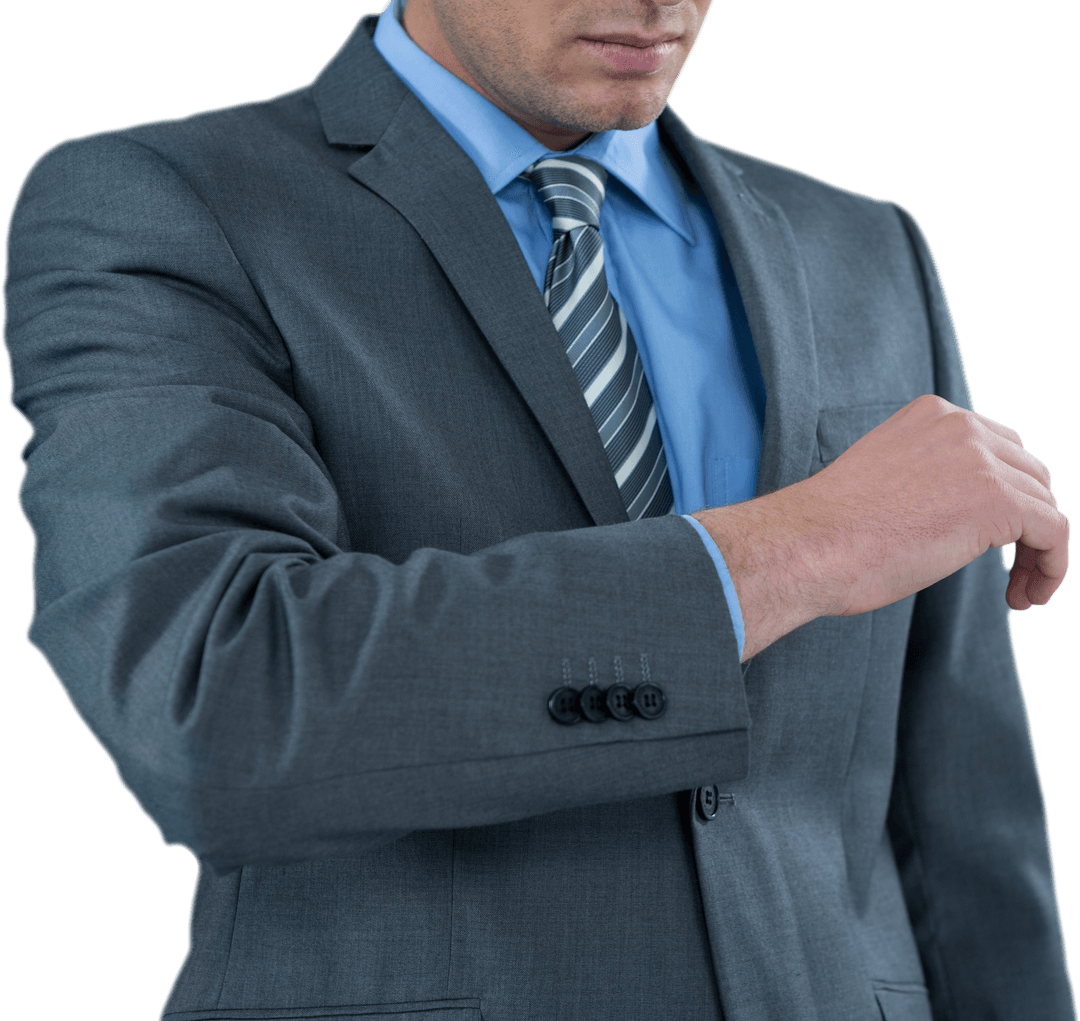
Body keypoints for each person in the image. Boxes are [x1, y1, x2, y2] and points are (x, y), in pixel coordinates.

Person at [2, 0, 1073, 1018]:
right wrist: (798, 548)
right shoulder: (167, 204)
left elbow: (963, 828)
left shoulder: (868, 248)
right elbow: (215, 709)